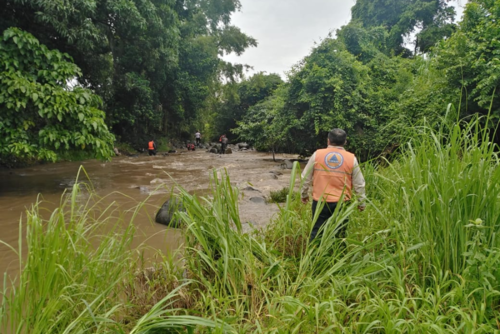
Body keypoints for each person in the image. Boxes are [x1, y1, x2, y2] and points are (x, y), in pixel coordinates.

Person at [301, 128, 366, 242]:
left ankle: (314, 256)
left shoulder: (317, 155)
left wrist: (304, 194)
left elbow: (305, 177)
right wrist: (361, 202)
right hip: (342, 202)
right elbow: (359, 183)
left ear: (328, 141)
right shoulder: (351, 158)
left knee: (317, 232)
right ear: (345, 142)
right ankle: (338, 257)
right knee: (340, 234)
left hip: (320, 201)